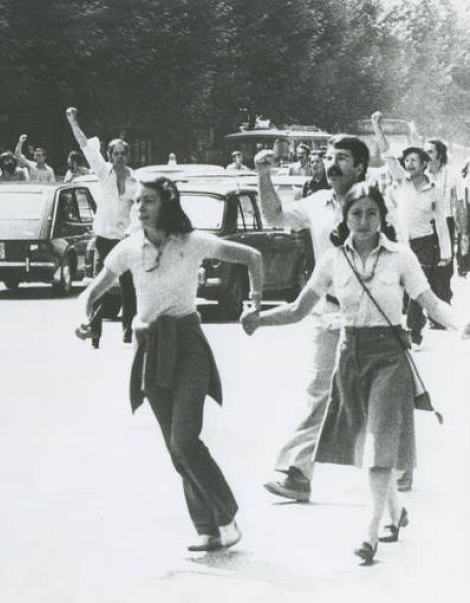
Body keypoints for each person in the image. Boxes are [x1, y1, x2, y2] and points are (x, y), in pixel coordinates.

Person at [242, 183, 467, 565]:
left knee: (380, 443)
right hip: (350, 356)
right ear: (344, 219)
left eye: (371, 214)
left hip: (389, 357)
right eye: (356, 214)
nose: (363, 222)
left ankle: (369, 533)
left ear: (383, 217)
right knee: (369, 440)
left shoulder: (401, 257)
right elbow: (299, 309)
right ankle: (396, 514)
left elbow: (430, 302)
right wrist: (259, 320)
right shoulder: (332, 260)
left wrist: (462, 325)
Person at [77, 177, 263, 552]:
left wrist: (255, 302)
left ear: (167, 203)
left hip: (188, 343)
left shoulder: (191, 242)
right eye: (137, 202)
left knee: (185, 438)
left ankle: (226, 515)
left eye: (149, 201)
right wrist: (84, 319)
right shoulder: (129, 249)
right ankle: (207, 529)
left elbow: (252, 257)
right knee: (175, 447)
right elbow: (93, 291)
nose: (140, 207)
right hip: (150, 348)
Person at [255, 133, 372, 503]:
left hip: (370, 314)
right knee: (318, 391)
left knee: (378, 394)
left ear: (359, 167)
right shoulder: (317, 202)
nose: (331, 164)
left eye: (341, 158)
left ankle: (399, 464)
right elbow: (274, 215)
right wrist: (263, 175)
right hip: (328, 312)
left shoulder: (373, 203)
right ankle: (299, 473)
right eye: (328, 157)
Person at [371, 113, 450, 348]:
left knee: (418, 287)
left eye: (415, 160)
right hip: (402, 243)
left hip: (425, 243)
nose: (409, 164)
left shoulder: (434, 190)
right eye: (407, 160)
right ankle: (396, 326)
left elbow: (441, 222)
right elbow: (386, 153)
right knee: (398, 286)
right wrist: (377, 126)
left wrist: (446, 253)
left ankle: (414, 331)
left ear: (425, 164)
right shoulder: (401, 182)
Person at [66, 106, 138, 347]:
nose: (119, 157)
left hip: (125, 240)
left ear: (127, 156)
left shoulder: (134, 180)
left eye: (122, 154)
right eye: (115, 154)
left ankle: (129, 332)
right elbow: (85, 145)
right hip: (104, 238)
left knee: (129, 287)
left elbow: (139, 209)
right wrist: (72, 121)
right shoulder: (102, 171)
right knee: (99, 284)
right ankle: (94, 331)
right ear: (109, 155)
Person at [425, 138, 463, 307]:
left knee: (445, 266)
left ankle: (443, 304)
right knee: (426, 265)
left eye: (430, 151)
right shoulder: (420, 174)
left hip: (446, 223)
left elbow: (459, 204)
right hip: (424, 223)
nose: (425, 155)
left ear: (439, 155)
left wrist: (464, 233)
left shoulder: (452, 174)